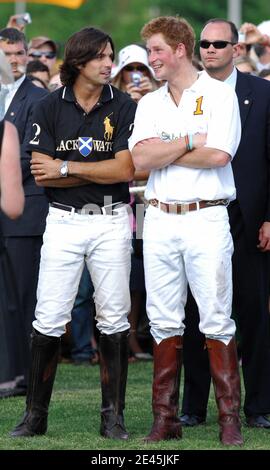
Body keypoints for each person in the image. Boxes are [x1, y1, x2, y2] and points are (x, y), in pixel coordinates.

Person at [10, 26, 136, 440]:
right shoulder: (48, 106)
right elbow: (41, 173)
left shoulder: (124, 105)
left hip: (112, 218)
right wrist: (75, 172)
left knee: (114, 318)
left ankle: (112, 417)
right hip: (63, 220)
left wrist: (68, 167)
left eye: (110, 55)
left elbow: (125, 169)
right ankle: (34, 417)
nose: (108, 63)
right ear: (78, 61)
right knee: (48, 317)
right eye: (100, 56)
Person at [129, 15, 243, 446]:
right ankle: (165, 419)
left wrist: (164, 150)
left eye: (157, 50)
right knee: (163, 320)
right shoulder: (149, 103)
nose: (151, 59)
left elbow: (219, 156)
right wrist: (188, 141)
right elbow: (139, 161)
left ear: (180, 49)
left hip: (206, 215)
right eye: (149, 51)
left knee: (216, 316)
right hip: (158, 216)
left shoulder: (217, 95)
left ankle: (229, 419)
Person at [181, 18, 270, 430]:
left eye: (220, 43)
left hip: (249, 218)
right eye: (205, 43)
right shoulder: (184, 94)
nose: (211, 49)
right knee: (198, 311)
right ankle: (194, 407)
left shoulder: (263, 92)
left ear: (237, 49)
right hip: (200, 213)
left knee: (252, 311)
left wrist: (269, 216)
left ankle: (258, 407)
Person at [0, 28, 48, 398]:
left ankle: (29, 376)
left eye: (18, 54)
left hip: (25, 210)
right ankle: (7, 371)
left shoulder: (37, 97)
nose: (13, 60)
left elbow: (32, 156)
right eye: (6, 54)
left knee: (26, 295)